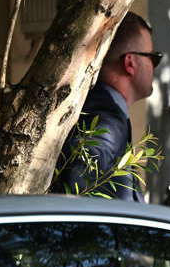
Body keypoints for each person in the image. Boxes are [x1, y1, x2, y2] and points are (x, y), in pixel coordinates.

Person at [53, 12, 162, 201]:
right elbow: (80, 209)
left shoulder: (102, 114)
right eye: (154, 58)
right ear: (130, 63)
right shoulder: (104, 124)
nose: (154, 66)